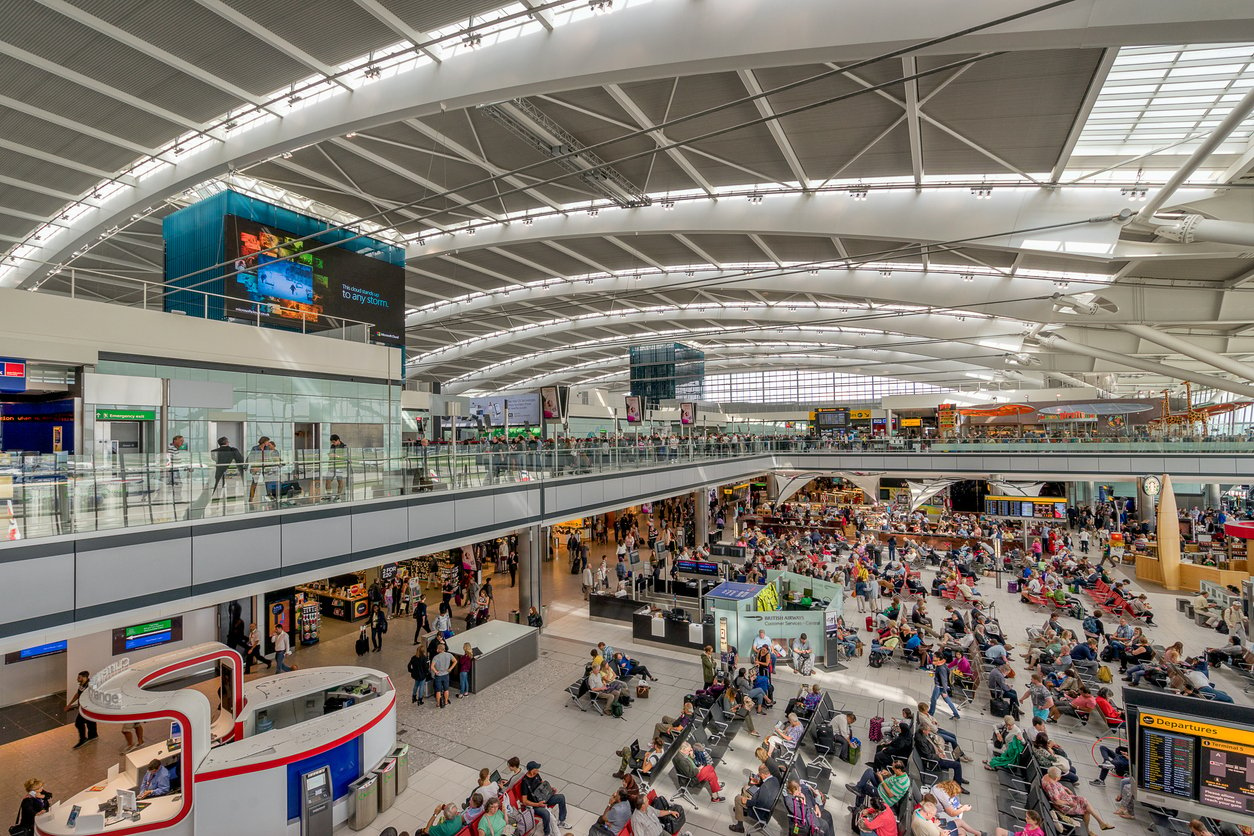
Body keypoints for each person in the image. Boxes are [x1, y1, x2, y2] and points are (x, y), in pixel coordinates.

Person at [1041, 766, 1114, 834]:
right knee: (1086, 810)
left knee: (1084, 801)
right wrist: (1069, 803)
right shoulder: (1051, 787)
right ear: (1056, 777)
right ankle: (1095, 826)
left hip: (1068, 799)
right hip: (1065, 807)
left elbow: (1057, 784)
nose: (1060, 777)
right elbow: (1056, 801)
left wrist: (1066, 788)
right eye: (1059, 776)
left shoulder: (1047, 776)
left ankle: (1099, 824)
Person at [519, 761, 572, 834]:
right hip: (535, 805)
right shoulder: (525, 783)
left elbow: (542, 783)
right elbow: (524, 801)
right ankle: (547, 833)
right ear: (532, 770)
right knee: (546, 813)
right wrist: (538, 804)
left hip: (544, 798)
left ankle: (561, 821)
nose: (538, 770)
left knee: (561, 797)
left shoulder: (536, 775)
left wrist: (550, 789)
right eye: (536, 769)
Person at [730, 764, 779, 833]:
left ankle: (739, 826)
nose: (758, 774)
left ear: (764, 774)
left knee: (738, 798)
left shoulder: (765, 787)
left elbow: (760, 804)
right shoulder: (774, 779)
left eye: (759, 773)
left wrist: (746, 802)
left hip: (759, 811)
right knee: (745, 788)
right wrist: (758, 783)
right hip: (762, 796)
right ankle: (741, 809)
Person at [66, 670, 97, 750]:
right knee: (90, 722)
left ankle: (83, 739)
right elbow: (77, 694)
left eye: (79, 678)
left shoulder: (90, 686)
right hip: (83, 707)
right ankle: (93, 735)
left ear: (84, 677)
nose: (77, 679)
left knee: (78, 723)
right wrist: (70, 704)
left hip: (87, 708)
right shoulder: (82, 685)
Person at [928, 654, 961, 720]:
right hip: (941, 687)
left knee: (933, 700)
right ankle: (956, 714)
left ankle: (930, 713)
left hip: (939, 687)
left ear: (938, 658)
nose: (933, 657)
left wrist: (944, 691)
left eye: (935, 656)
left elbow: (944, 680)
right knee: (947, 701)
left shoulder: (941, 668)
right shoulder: (942, 665)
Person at [431, 642, 458, 708]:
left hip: (439, 676)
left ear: (439, 649)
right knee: (446, 689)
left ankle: (438, 703)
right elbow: (455, 661)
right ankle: (446, 702)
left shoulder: (436, 657)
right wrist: (450, 668)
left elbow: (432, 666)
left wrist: (436, 671)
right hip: (446, 674)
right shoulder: (449, 655)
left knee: (438, 690)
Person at [325, 434, 349, 499]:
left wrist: (336, 456)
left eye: (334, 442)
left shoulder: (344, 446)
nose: (333, 443)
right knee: (328, 480)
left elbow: (345, 457)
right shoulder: (332, 446)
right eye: (332, 442)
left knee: (339, 480)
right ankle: (329, 496)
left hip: (339, 466)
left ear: (338, 440)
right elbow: (331, 454)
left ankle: (338, 495)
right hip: (332, 466)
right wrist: (330, 455)